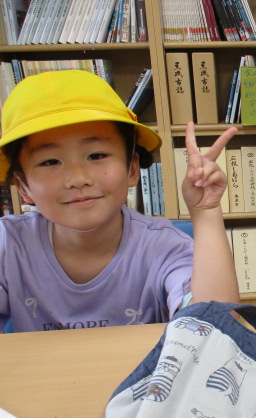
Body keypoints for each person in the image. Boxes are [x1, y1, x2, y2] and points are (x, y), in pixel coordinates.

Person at [0, 70, 239, 332]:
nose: (78, 179)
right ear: (22, 186)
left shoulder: (162, 246)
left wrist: (205, 211)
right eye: (50, 162)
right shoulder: (8, 245)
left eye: (96, 156)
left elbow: (215, 328)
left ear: (132, 169)